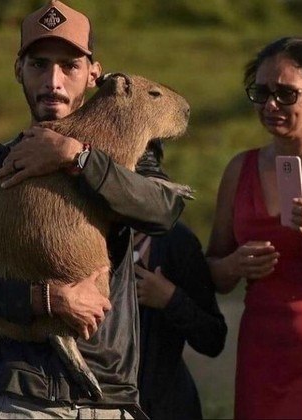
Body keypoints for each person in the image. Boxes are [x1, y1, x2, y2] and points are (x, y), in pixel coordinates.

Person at [0, 1, 185, 419]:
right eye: (39, 64)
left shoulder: (124, 163)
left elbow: (163, 211)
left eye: (69, 65)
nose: (53, 81)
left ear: (94, 74)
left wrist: (79, 159)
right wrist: (44, 299)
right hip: (18, 394)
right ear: (18, 69)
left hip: (109, 395)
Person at [206, 36, 302, 419]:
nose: (271, 105)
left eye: (286, 94)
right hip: (262, 354)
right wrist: (235, 266)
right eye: (261, 93)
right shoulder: (239, 169)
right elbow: (213, 271)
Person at [133, 141, 227, 420]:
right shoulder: (87, 240)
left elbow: (213, 338)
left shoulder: (177, 242)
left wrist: (170, 298)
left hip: (167, 404)